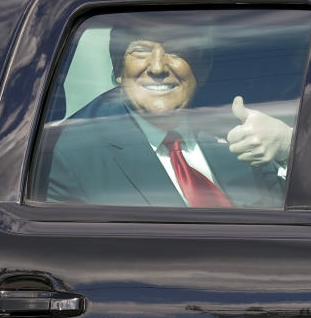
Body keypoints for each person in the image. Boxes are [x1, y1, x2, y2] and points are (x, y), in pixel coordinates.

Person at [43, 16, 294, 207]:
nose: (157, 66)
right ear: (119, 71)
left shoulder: (238, 130)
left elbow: (298, 219)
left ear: (202, 69)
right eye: (141, 50)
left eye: (175, 49)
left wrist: (288, 148)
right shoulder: (72, 155)